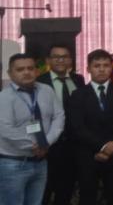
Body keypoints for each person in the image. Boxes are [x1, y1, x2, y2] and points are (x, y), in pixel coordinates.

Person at [0, 53, 65, 205]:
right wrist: (32, 146)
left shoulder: (46, 90)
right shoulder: (4, 97)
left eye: (30, 68)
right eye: (20, 69)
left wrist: (46, 142)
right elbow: (5, 129)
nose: (26, 72)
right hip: (13, 164)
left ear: (37, 71)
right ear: (10, 73)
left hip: (40, 162)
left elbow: (59, 116)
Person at [69, 49, 113, 205]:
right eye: (97, 66)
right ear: (88, 69)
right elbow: (77, 127)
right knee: (87, 197)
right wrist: (102, 146)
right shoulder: (78, 95)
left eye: (106, 65)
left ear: (111, 68)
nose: (102, 69)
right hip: (88, 155)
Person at [37, 44, 84, 205]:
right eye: (56, 57)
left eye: (64, 56)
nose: (60, 60)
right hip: (49, 145)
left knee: (66, 190)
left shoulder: (79, 80)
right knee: (44, 189)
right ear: (48, 60)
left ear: (70, 60)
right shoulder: (39, 82)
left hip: (73, 145)